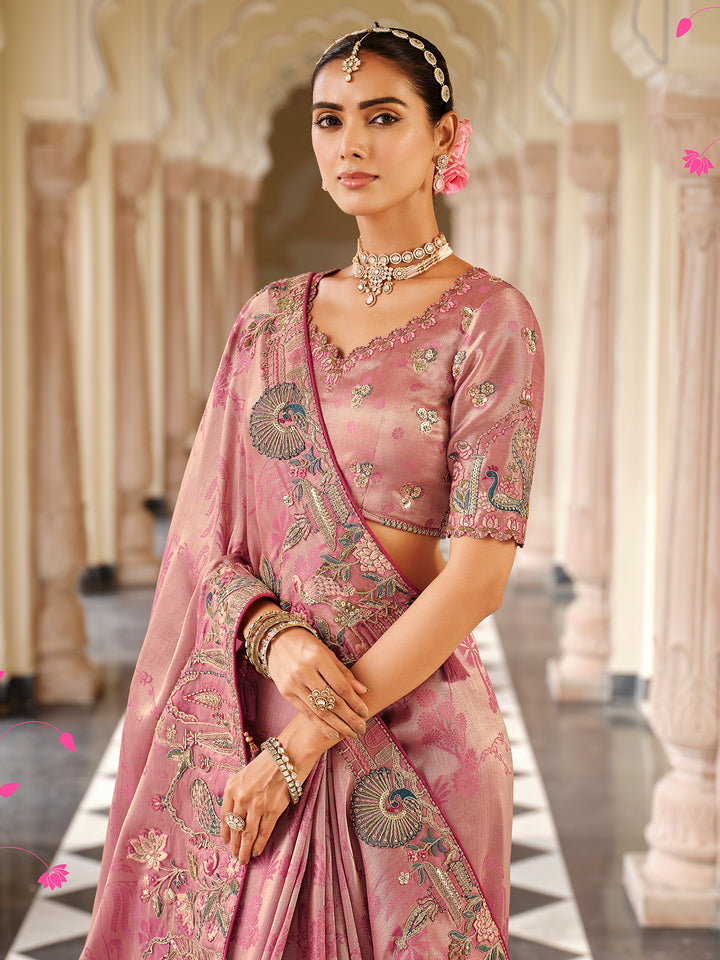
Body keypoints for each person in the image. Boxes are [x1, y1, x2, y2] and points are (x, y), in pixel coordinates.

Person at [82, 24, 543, 960]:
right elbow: (207, 539)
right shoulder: (266, 324)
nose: (353, 145)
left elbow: (478, 578)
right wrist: (273, 635)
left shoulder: (492, 320)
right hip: (263, 703)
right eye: (331, 121)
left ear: (445, 137)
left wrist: (299, 753)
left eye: (383, 117)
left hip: (414, 730)